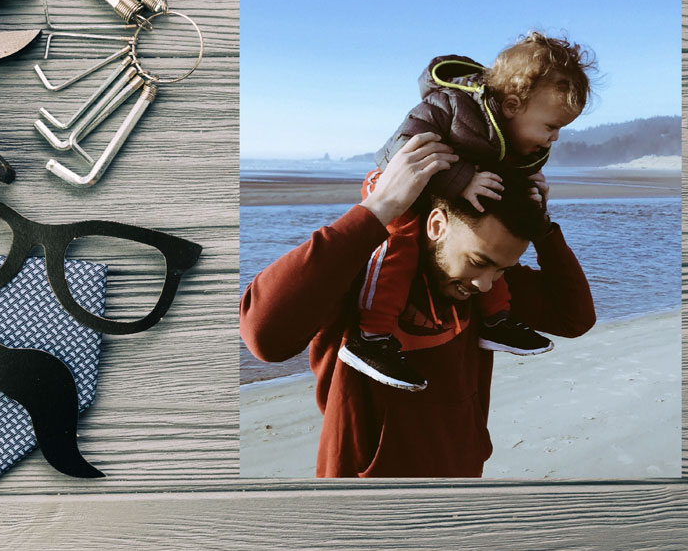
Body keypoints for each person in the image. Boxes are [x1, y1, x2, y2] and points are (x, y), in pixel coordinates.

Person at [239, 133, 595, 477]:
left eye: (502, 268)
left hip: (462, 479)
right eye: (478, 261)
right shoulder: (362, 271)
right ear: (437, 225)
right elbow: (265, 338)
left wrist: (544, 231)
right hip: (364, 498)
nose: (485, 283)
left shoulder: (488, 285)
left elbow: (573, 318)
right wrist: (377, 209)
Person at [342, 33, 596, 390]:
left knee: (492, 257)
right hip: (398, 190)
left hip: (452, 206)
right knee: (399, 246)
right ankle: (371, 336)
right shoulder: (452, 105)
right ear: (512, 105)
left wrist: (533, 208)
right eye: (551, 126)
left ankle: (496, 320)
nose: (554, 138)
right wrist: (460, 180)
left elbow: (575, 317)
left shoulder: (517, 141)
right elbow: (398, 150)